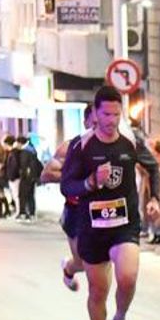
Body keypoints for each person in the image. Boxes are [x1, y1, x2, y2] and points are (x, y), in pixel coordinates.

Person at [59, 85, 160, 320]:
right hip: (92, 227)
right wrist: (90, 182)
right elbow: (67, 185)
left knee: (127, 278)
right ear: (95, 113)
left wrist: (154, 198)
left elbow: (154, 168)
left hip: (124, 225)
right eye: (106, 114)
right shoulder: (81, 145)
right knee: (98, 291)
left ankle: (119, 319)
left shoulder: (130, 140)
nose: (111, 121)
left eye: (117, 114)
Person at [45, 104, 96, 290]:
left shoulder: (114, 146)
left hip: (101, 211)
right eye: (94, 122)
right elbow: (46, 174)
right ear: (85, 122)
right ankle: (69, 268)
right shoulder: (71, 147)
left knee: (104, 260)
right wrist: (77, 179)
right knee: (81, 262)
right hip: (75, 210)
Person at [17, 137, 42, 220]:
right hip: (32, 176)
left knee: (24, 195)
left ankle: (24, 213)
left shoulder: (25, 151)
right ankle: (32, 213)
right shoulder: (32, 149)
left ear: (20, 143)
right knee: (31, 195)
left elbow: (24, 165)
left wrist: (24, 174)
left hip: (26, 177)